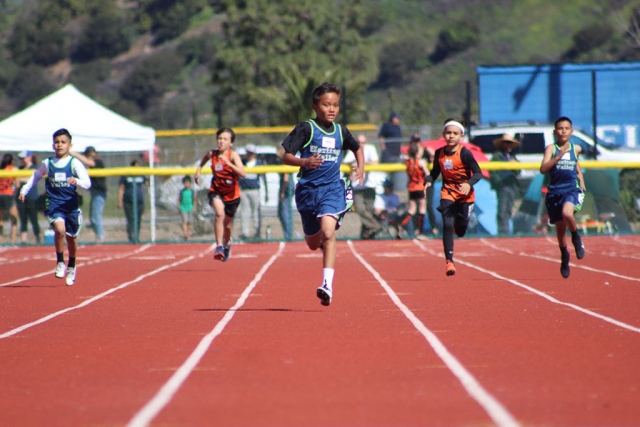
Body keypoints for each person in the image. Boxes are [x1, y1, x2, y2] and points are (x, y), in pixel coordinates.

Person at [281, 82, 363, 306]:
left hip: (332, 190)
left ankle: (327, 285)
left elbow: (357, 148)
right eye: (326, 104)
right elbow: (285, 156)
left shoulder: (341, 131)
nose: (332, 109)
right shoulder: (306, 129)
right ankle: (320, 243)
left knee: (329, 234)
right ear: (315, 107)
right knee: (312, 242)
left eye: (336, 105)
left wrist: (361, 167)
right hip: (308, 191)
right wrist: (304, 161)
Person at [18, 129, 91, 285]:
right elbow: (36, 176)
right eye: (57, 142)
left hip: (70, 206)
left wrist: (76, 181)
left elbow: (87, 182)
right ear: (53, 145)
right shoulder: (48, 163)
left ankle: (71, 265)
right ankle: (60, 261)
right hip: (54, 204)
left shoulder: (74, 163)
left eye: (63, 142)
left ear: (70, 145)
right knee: (60, 230)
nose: (60, 145)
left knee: (72, 238)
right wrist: (24, 189)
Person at [425, 119, 483, 276]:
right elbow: (435, 173)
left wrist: (469, 184)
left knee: (461, 230)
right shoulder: (439, 153)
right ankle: (449, 262)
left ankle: (461, 223)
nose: (451, 136)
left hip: (465, 195)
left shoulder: (464, 153)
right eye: (448, 133)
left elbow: (478, 173)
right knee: (448, 224)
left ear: (461, 136)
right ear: (443, 134)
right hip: (448, 192)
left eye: (455, 133)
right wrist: (429, 181)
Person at [539, 116, 586, 278]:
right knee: (560, 228)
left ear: (571, 132)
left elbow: (576, 162)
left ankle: (576, 237)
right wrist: (558, 156)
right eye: (560, 128)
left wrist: (580, 176)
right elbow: (543, 169)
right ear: (555, 132)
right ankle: (564, 255)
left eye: (566, 128)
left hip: (571, 189)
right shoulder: (551, 149)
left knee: (568, 213)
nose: (563, 131)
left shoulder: (576, 148)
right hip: (554, 192)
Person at [195, 127, 246, 261]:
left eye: (225, 139)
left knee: (227, 226)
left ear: (231, 143)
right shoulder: (212, 154)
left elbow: (243, 173)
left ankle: (227, 243)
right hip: (216, 191)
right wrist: (198, 170)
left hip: (232, 196)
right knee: (219, 213)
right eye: (219, 139)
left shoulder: (233, 155)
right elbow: (204, 160)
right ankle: (218, 246)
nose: (221, 142)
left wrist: (229, 163)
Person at [343, 134, 383, 239]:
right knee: (360, 209)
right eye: (359, 142)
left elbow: (375, 162)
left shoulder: (371, 148)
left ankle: (366, 234)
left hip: (370, 185)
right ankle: (376, 226)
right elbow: (345, 162)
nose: (361, 144)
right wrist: (355, 164)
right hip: (358, 186)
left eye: (363, 142)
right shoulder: (353, 150)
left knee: (369, 211)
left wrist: (360, 163)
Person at [70, 146, 107, 242]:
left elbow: (89, 162)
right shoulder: (90, 167)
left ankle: (100, 237)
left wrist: (75, 154)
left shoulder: (98, 162)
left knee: (96, 217)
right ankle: (98, 235)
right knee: (92, 217)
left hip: (99, 193)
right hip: (95, 193)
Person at [490, 134, 521, 235]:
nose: (507, 145)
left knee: (509, 208)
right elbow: (492, 171)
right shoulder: (497, 156)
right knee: (502, 208)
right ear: (501, 144)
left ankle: (507, 230)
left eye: (509, 143)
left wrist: (515, 166)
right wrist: (499, 182)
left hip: (511, 186)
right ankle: (502, 230)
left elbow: (519, 171)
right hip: (502, 187)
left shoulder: (512, 157)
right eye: (505, 142)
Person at [408, 133, 438, 235]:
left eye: (417, 141)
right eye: (414, 141)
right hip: (416, 184)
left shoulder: (426, 150)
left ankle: (433, 227)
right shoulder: (412, 153)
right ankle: (417, 228)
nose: (416, 143)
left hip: (426, 183)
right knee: (415, 207)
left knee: (428, 206)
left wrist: (432, 156)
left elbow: (436, 157)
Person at [238, 144, 267, 240]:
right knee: (244, 212)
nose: (249, 155)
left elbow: (263, 178)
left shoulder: (258, 163)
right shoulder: (242, 163)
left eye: (251, 153)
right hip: (244, 190)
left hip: (255, 190)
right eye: (248, 153)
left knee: (256, 212)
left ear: (254, 154)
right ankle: (244, 232)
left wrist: (266, 193)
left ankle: (256, 232)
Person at [118, 159, 149, 243]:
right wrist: (120, 201)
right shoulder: (126, 175)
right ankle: (130, 237)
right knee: (130, 220)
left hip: (139, 201)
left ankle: (136, 237)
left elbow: (147, 183)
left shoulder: (141, 175)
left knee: (138, 220)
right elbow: (121, 188)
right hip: (128, 201)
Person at [405, 135, 430, 240]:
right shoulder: (420, 162)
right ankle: (420, 232)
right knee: (422, 209)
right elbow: (427, 173)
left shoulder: (407, 162)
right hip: (420, 186)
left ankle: (401, 224)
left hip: (411, 187)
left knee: (411, 209)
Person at [16, 151, 41, 244]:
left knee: (34, 218)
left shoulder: (33, 168)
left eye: (24, 158)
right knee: (23, 219)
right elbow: (17, 184)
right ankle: (23, 240)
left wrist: (18, 177)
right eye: (21, 159)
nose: (22, 160)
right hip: (21, 197)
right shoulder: (20, 168)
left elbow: (30, 179)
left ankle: (38, 238)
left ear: (29, 157)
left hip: (32, 197)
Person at [0, 153, 19, 244]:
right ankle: (13, 240)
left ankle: (0, 240)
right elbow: (17, 184)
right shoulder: (14, 169)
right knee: (14, 218)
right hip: (9, 195)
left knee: (1, 220)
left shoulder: (1, 169)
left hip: (0, 195)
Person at [276, 147, 294, 241]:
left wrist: (282, 192)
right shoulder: (281, 160)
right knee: (281, 212)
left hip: (286, 186)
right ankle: (287, 234)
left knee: (285, 211)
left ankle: (288, 236)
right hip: (286, 186)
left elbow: (286, 178)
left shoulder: (285, 160)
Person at [178, 175, 197, 240]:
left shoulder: (192, 191)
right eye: (185, 183)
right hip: (183, 208)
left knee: (190, 222)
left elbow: (194, 200)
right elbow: (179, 200)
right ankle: (185, 233)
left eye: (188, 183)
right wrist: (179, 207)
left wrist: (194, 207)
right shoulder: (182, 191)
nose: (187, 184)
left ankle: (189, 233)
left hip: (190, 208)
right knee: (184, 221)